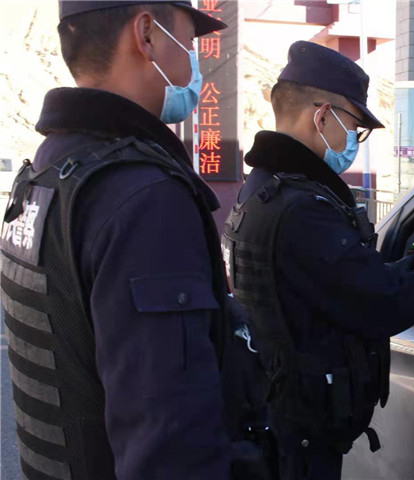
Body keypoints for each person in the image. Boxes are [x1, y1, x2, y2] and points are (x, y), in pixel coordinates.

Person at [0, 2, 240, 479]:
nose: (194, 63)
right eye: (188, 44)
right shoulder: (145, 198)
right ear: (147, 34)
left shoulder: (47, 170)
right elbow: (170, 449)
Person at [222, 41, 414, 480]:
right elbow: (378, 304)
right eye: (355, 128)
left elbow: (330, 283)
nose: (355, 141)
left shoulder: (262, 187)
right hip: (302, 433)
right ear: (322, 117)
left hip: (278, 411)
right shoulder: (303, 208)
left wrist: (403, 270)